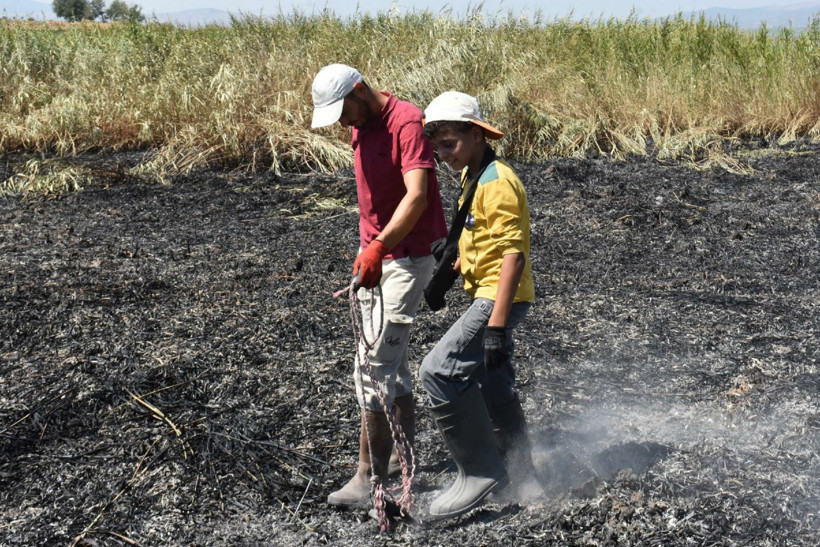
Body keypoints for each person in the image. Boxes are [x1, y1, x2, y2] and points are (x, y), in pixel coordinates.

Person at [310, 64, 448, 509]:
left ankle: (368, 475)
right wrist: (369, 251)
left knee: (372, 371)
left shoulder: (406, 122)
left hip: (407, 258)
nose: (343, 122)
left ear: (359, 90)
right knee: (392, 369)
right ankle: (401, 460)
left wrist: (380, 247)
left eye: (344, 111)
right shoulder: (361, 125)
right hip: (378, 258)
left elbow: (417, 196)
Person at [419, 91, 537, 520]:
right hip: (489, 292)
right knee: (494, 384)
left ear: (478, 134)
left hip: (499, 297)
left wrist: (496, 327)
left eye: (450, 144)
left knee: (438, 372)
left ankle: (479, 472)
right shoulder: (474, 175)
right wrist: (450, 265)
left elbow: (512, 256)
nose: (444, 155)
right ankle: (525, 476)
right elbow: (477, 240)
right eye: (438, 149)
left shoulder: (497, 182)